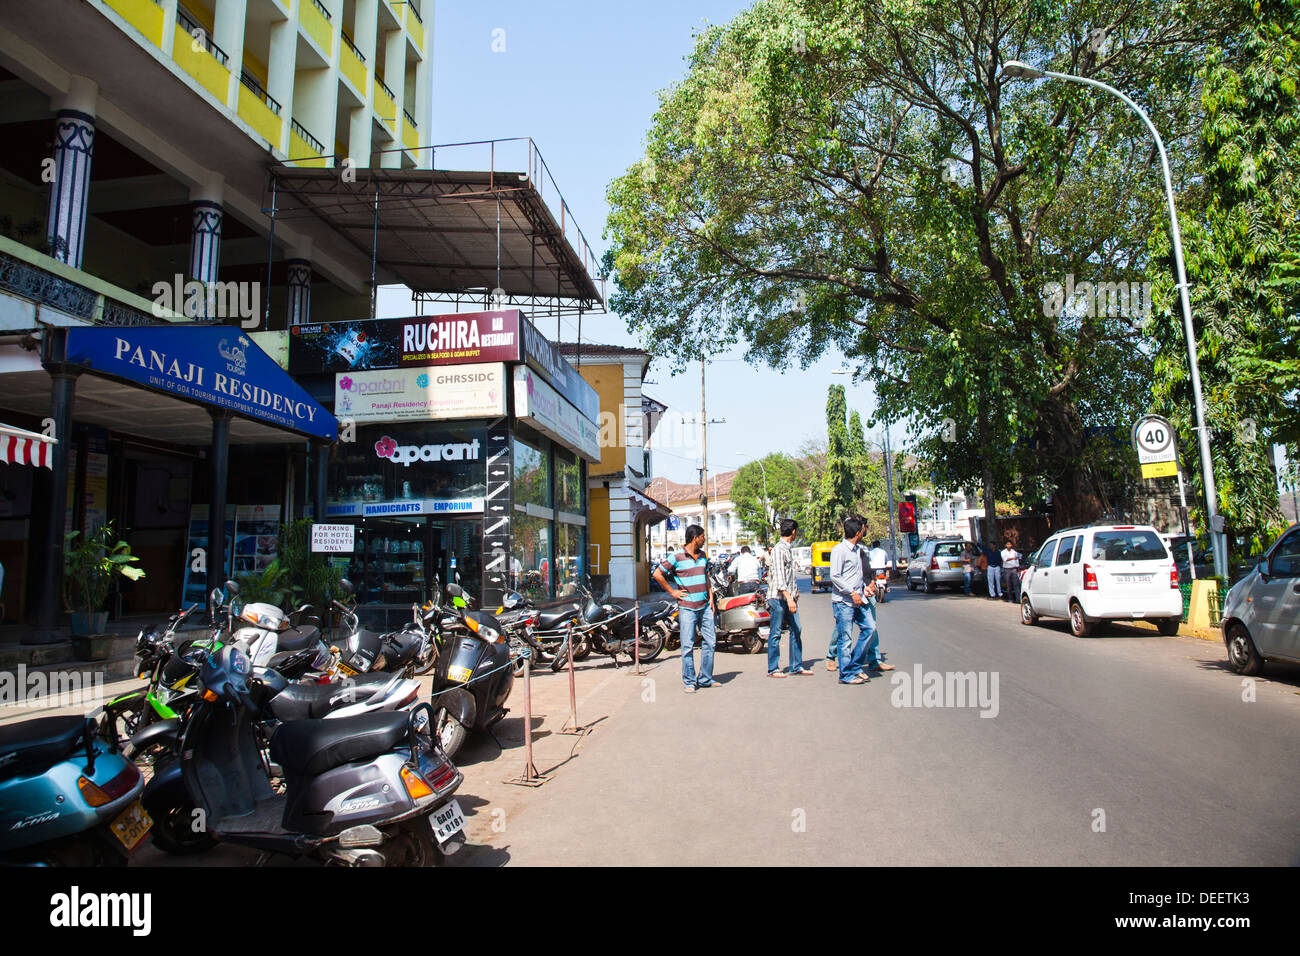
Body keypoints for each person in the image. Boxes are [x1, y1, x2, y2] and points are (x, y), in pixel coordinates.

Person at [654, 524, 718, 693]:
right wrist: (672, 591)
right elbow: (657, 574)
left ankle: (705, 678)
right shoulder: (676, 556)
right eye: (703, 536)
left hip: (704, 606)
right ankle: (689, 681)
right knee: (688, 645)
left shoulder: (703, 555)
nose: (704, 539)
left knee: (710, 642)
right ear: (695, 537)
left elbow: (706, 576)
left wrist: (710, 595)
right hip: (687, 607)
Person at [828, 516, 879, 685]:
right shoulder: (839, 550)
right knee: (845, 639)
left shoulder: (858, 550)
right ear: (858, 532)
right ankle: (845, 674)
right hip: (844, 602)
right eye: (862, 530)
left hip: (859, 598)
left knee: (870, 628)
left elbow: (855, 575)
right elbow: (835, 576)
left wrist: (863, 589)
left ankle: (855, 665)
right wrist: (851, 592)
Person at [765, 519, 809, 677]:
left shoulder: (788, 549)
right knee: (776, 632)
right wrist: (789, 598)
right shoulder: (778, 549)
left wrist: (795, 591)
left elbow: (789, 575)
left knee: (797, 629)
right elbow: (779, 578)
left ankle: (796, 665)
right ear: (793, 532)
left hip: (789, 597)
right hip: (778, 598)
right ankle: (773, 668)